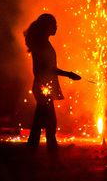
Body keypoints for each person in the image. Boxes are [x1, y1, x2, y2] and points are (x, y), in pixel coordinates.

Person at [24, 13, 81, 152]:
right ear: (47, 26)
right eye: (54, 24)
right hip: (43, 87)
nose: (56, 27)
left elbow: (47, 69)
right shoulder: (42, 44)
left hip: (42, 87)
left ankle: (35, 150)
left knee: (41, 121)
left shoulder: (43, 42)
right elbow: (48, 69)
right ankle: (51, 152)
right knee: (49, 121)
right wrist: (69, 74)